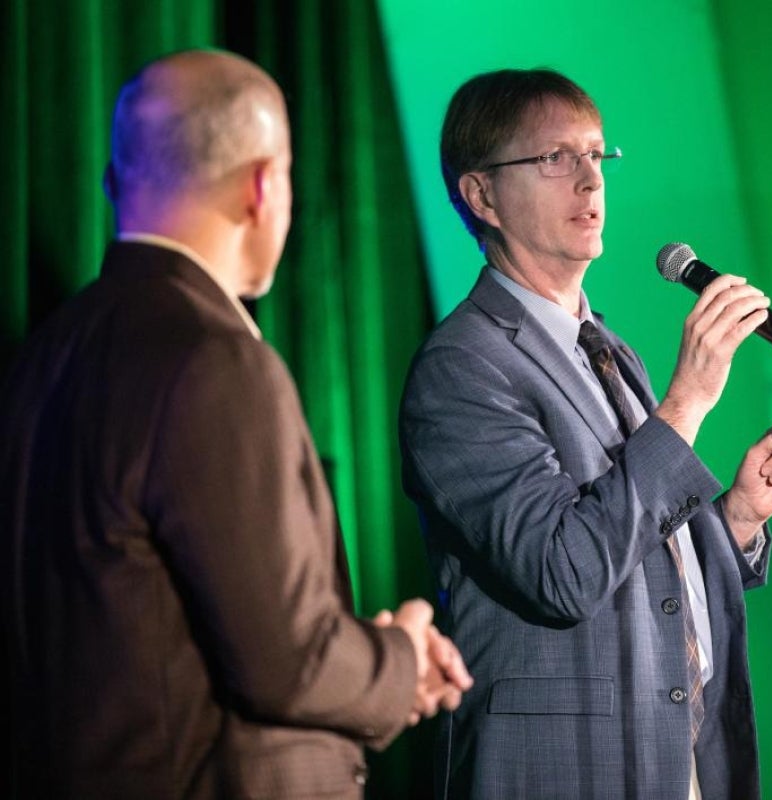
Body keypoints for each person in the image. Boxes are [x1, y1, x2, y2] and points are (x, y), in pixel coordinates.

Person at [0, 49, 471, 799]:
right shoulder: (213, 361)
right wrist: (398, 661)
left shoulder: (43, 356)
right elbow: (287, 660)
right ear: (263, 185)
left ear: (113, 180)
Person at [400, 68, 772, 799]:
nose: (590, 182)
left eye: (598, 156)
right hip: (565, 769)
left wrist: (737, 519)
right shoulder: (461, 368)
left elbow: (639, 555)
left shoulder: (607, 346)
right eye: (555, 159)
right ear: (481, 194)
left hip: (670, 757)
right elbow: (564, 572)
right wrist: (685, 405)